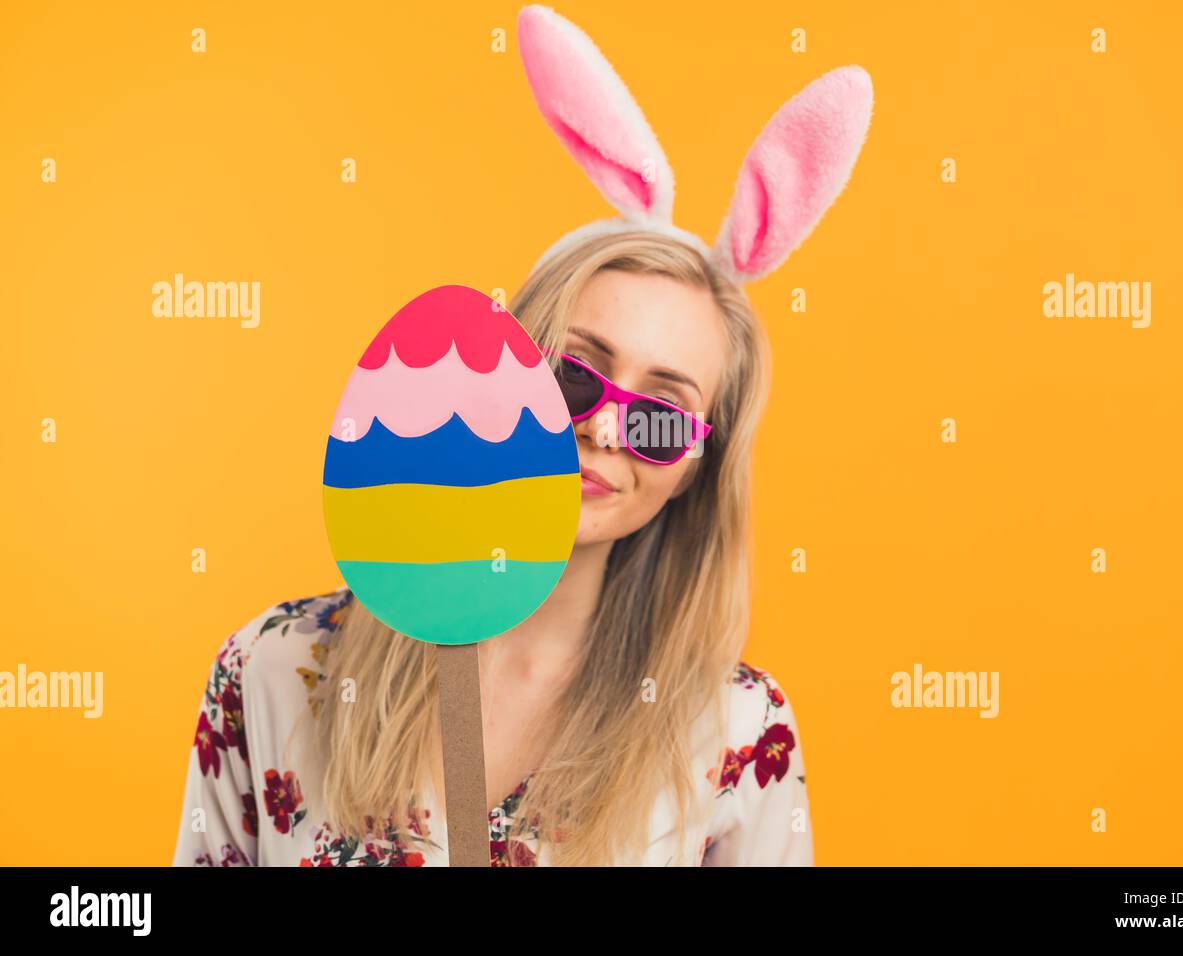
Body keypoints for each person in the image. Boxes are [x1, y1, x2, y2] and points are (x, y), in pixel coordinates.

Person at [171, 3, 873, 866]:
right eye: (577, 373)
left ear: (695, 467)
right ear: (507, 364)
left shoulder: (737, 739)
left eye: (660, 416)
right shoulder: (276, 673)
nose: (607, 425)